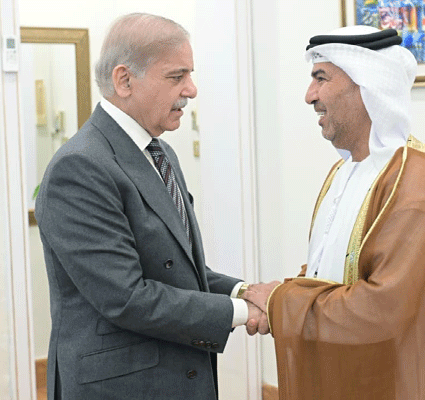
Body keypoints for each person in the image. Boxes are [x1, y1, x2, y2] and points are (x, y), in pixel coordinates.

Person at [35, 13, 266, 400]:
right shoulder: (80, 167)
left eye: (190, 75)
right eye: (176, 77)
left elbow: (177, 271)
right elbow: (126, 297)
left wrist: (244, 291)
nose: (191, 89)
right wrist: (243, 313)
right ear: (124, 81)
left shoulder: (161, 154)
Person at [244, 26, 425, 399]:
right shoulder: (344, 173)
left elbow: (382, 309)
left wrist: (280, 302)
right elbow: (326, 277)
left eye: (321, 78)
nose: (309, 96)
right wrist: (280, 297)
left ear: (366, 84)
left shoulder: (416, 181)